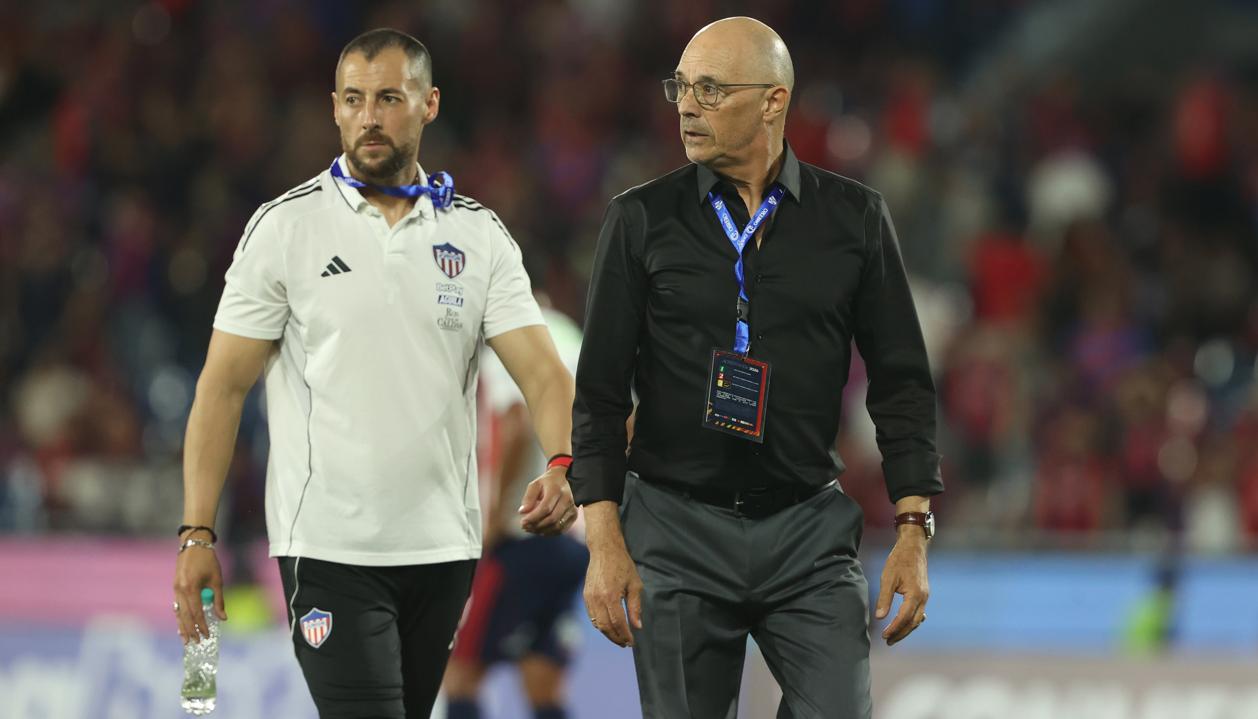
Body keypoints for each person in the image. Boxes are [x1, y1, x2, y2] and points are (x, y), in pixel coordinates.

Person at [171, 28, 577, 719]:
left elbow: (543, 373)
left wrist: (566, 463)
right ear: (334, 107)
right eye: (354, 99)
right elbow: (222, 385)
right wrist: (196, 534)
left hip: (444, 551)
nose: (369, 116)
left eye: (389, 97)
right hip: (329, 548)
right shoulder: (284, 230)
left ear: (429, 104)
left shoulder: (478, 237)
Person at [570, 17, 944, 719]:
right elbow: (597, 394)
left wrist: (913, 526)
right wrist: (605, 539)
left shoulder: (854, 219)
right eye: (681, 87)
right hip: (674, 532)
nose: (686, 105)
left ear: (773, 101)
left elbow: (902, 383)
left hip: (806, 529)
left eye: (710, 89)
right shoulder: (640, 219)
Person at [442, 301, 589, 719]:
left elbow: (516, 423)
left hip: (520, 536)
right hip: (570, 538)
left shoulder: (513, 339)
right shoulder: (570, 336)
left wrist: (492, 517)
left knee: (461, 672)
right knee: (542, 678)